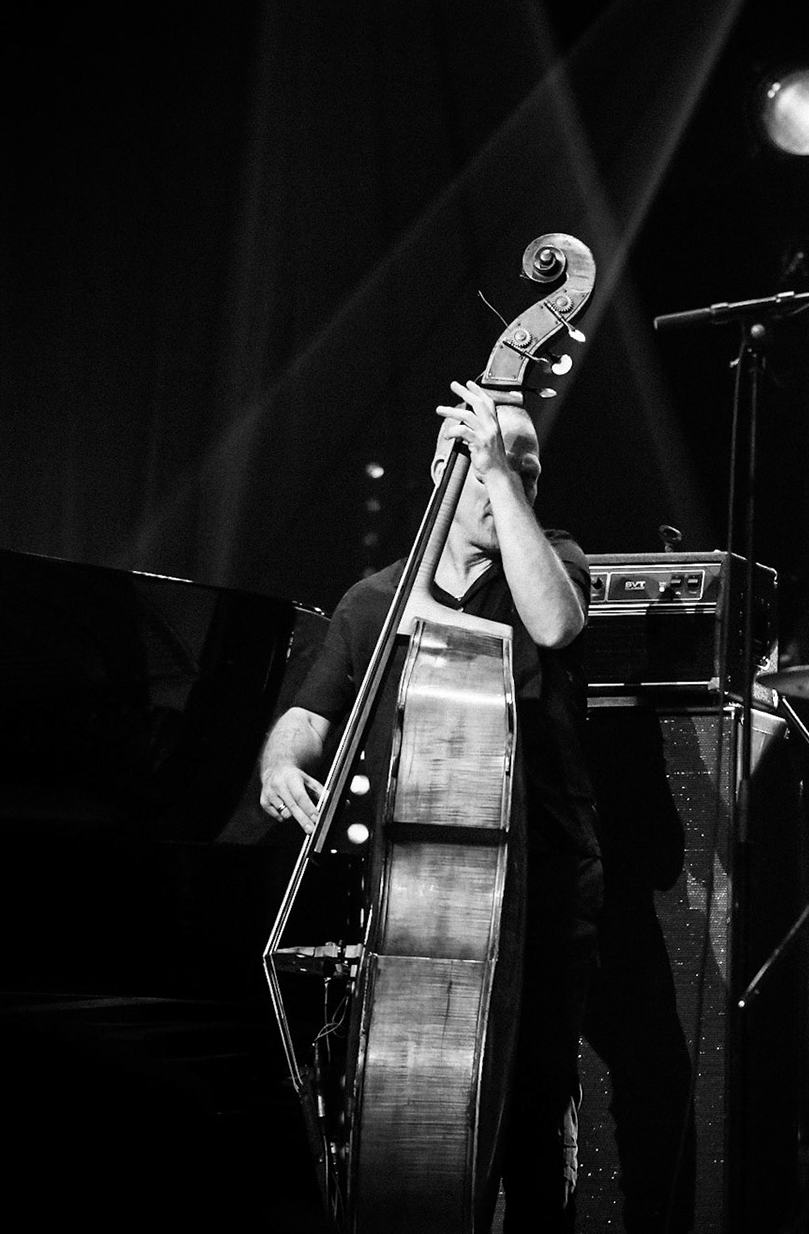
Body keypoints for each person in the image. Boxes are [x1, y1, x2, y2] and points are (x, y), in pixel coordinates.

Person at [257, 379, 603, 1230]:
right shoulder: (376, 598)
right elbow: (305, 718)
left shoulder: (548, 563)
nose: (514, 480)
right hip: (415, 902)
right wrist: (280, 765)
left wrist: (499, 472)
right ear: (448, 470)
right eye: (494, 463)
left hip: (545, 892)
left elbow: (557, 626)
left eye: (529, 467)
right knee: (408, 1132)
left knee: (531, 1130)